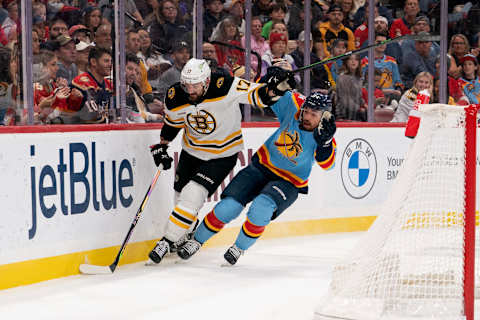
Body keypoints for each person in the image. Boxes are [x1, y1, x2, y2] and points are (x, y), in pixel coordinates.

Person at [147, 59, 295, 264]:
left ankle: (166, 239)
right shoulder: (175, 95)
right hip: (191, 151)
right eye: (186, 84)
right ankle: (182, 235)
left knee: (192, 195)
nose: (190, 90)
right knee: (180, 198)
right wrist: (162, 146)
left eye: (195, 85)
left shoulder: (225, 85)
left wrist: (275, 87)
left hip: (222, 155)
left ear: (207, 81)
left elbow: (260, 97)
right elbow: (172, 123)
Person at [176, 91, 337, 265]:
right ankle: (196, 240)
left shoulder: (325, 133)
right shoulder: (294, 109)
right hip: (262, 166)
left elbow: (328, 165)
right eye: (306, 111)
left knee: (261, 209)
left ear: (323, 116)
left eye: (313, 115)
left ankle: (238, 247)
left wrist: (325, 144)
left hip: (289, 182)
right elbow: (269, 91)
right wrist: (277, 77)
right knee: (227, 207)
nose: (307, 116)